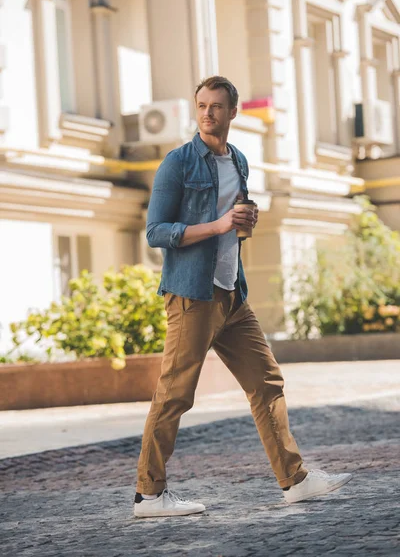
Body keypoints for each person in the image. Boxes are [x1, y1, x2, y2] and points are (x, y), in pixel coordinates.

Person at [134, 76, 351, 518]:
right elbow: (156, 232)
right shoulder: (177, 163)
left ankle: (296, 481)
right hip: (192, 295)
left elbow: (236, 227)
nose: (208, 113)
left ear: (234, 113)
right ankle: (148, 494)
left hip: (232, 293)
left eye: (216, 106)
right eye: (201, 105)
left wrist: (244, 223)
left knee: (266, 381)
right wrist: (217, 225)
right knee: (175, 393)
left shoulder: (239, 161)